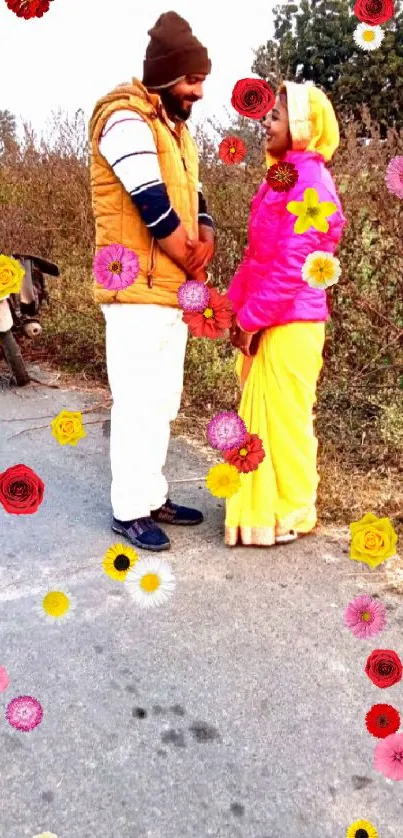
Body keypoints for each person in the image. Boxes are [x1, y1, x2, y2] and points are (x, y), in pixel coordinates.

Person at [89, 11, 215, 552]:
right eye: (192, 81)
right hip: (133, 286)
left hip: (166, 288)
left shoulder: (174, 129)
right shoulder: (124, 118)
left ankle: (153, 494)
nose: (200, 92)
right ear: (165, 77)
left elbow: (196, 196)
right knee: (136, 400)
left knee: (162, 400)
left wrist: (206, 230)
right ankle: (128, 510)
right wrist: (194, 259)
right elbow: (156, 209)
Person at [226, 81, 347, 547]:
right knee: (268, 418)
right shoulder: (280, 176)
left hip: (292, 321)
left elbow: (293, 267)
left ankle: (293, 508)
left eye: (275, 116)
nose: (265, 122)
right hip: (271, 314)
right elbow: (258, 256)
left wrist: (250, 318)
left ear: (300, 127)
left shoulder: (312, 181)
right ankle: (271, 507)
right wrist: (232, 309)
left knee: (286, 421)